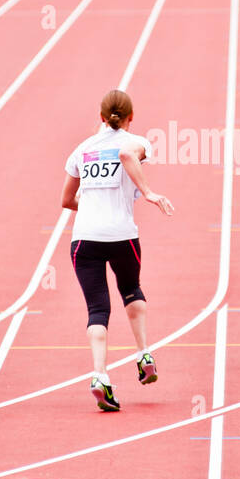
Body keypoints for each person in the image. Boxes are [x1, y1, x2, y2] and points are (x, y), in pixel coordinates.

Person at [61, 90, 174, 412]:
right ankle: (144, 354)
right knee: (131, 289)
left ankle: (100, 376)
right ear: (131, 117)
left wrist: (91, 203)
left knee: (98, 309)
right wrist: (148, 193)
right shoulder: (138, 142)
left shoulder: (81, 150)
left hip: (85, 238)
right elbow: (126, 154)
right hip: (121, 235)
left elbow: (66, 200)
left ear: (100, 116)